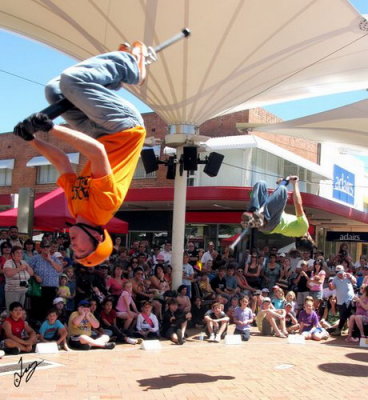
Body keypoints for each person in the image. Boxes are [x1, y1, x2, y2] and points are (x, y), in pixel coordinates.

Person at [13, 44, 155, 267]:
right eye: (81, 249)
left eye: (74, 251)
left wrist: (31, 140)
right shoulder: (103, 208)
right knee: (72, 80)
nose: (73, 246)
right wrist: (51, 128)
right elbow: (97, 154)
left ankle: (112, 79)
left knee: (54, 91)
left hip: (99, 134)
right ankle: (131, 67)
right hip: (124, 128)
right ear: (97, 237)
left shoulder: (75, 208)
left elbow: (61, 161)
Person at [241, 177, 309, 239]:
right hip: (267, 226)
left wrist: (295, 184)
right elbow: (278, 207)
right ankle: (252, 214)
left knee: (283, 190)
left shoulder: (304, 227)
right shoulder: (294, 232)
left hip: (271, 222)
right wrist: (281, 184)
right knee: (261, 184)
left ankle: (262, 217)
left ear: (307, 236)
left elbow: (298, 204)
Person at [28, 241, 63, 319]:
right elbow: (28, 268)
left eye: (47, 247)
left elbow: (59, 269)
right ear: (40, 248)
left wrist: (50, 260)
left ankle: (47, 324)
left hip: (51, 287)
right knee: (37, 306)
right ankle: (36, 324)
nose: (45, 249)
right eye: (43, 247)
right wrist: (35, 275)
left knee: (49, 307)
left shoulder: (54, 258)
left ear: (50, 248)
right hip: (38, 287)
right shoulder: (35, 258)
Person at [330, 265, 356, 336]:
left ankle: (340, 330)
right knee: (344, 316)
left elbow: (354, 282)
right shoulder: (335, 279)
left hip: (349, 300)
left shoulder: (348, 276)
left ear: (343, 271)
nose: (338, 273)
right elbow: (333, 288)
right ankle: (348, 330)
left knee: (346, 316)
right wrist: (331, 286)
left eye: (339, 271)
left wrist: (350, 277)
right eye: (337, 272)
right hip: (340, 301)